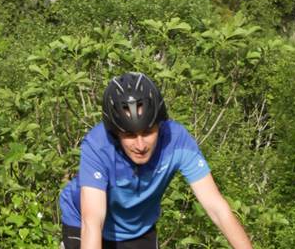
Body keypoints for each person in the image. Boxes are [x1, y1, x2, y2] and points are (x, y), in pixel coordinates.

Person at [59, 72, 253, 249]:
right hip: (81, 222)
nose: (140, 144)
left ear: (160, 125)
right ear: (116, 132)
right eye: (130, 135)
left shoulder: (176, 140)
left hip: (138, 229)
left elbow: (217, 208)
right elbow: (92, 222)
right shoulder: (98, 145)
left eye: (148, 132)